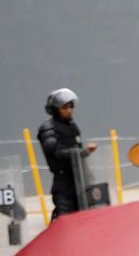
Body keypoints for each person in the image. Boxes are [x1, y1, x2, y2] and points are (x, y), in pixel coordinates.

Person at [37, 88, 96, 220]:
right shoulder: (48, 129)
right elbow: (57, 152)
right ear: (55, 110)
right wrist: (83, 152)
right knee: (65, 222)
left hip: (80, 182)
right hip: (64, 184)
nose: (69, 110)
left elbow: (79, 156)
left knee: (86, 220)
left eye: (70, 107)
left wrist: (89, 177)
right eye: (64, 107)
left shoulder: (72, 127)